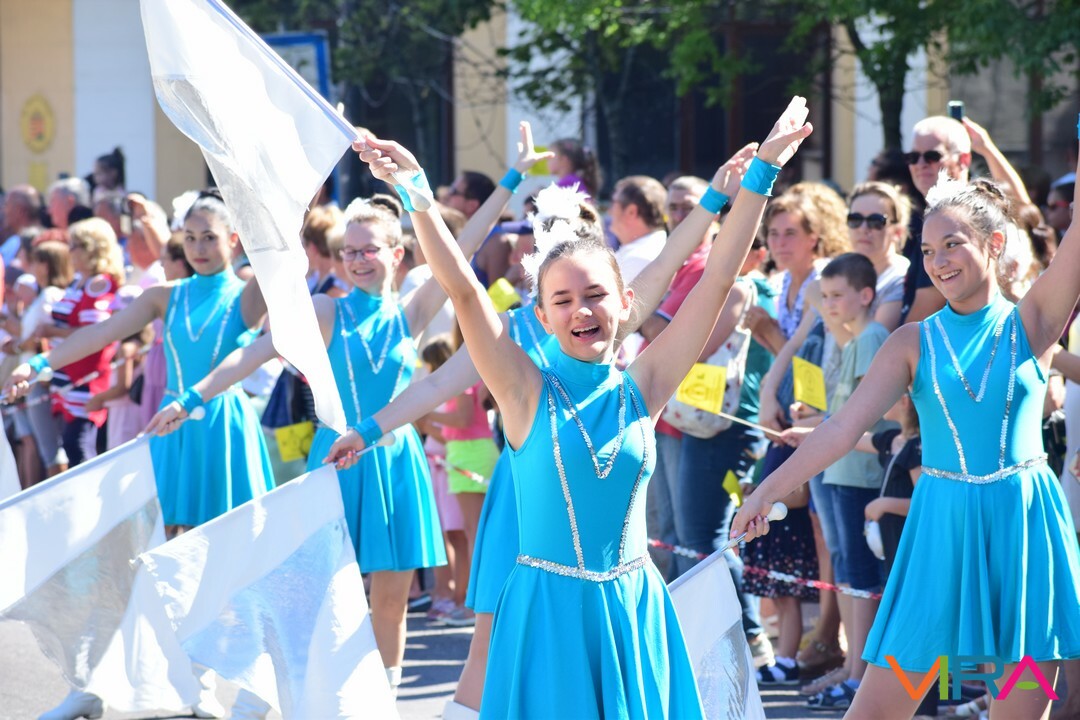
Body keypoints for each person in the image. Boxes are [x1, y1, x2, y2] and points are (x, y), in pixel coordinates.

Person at [351, 97, 811, 718]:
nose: (581, 310)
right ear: (540, 316)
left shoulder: (644, 384)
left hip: (632, 608)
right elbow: (462, 289)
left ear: (625, 302)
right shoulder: (523, 389)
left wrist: (762, 174)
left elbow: (718, 279)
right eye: (562, 301)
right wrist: (417, 195)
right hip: (547, 612)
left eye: (595, 294)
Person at [144, 123, 553, 702]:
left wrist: (510, 179)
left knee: (390, 600)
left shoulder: (412, 310)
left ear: (397, 253)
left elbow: (460, 249)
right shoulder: (325, 309)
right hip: (335, 459)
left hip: (396, 463)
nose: (358, 260)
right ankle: (281, 700)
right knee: (310, 596)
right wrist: (191, 398)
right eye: (349, 251)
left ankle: (381, 703)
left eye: (369, 249)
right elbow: (251, 355)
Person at [733, 168, 1080, 719]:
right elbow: (842, 428)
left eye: (952, 244)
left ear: (994, 243)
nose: (938, 261)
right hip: (940, 529)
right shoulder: (910, 342)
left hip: (1023, 528)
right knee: (877, 709)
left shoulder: (1032, 322)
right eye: (927, 250)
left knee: (1019, 706)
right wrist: (764, 493)